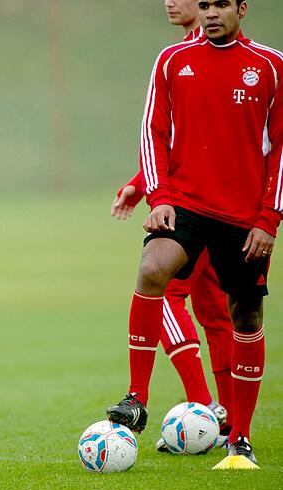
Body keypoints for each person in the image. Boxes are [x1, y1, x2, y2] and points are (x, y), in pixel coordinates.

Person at [106, 0, 282, 469]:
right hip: (184, 202)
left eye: (220, 4)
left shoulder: (269, 65)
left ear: (242, 9)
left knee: (243, 315)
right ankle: (136, 397)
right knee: (152, 272)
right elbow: (153, 130)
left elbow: (281, 146)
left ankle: (239, 437)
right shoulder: (171, 60)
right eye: (203, 4)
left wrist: (269, 218)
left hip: (243, 216)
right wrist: (157, 193)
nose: (209, 12)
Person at [110, 0, 231, 452]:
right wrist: (142, 185)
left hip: (214, 206)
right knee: (207, 307)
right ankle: (219, 413)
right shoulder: (178, 56)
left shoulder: (224, 60)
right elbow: (176, 138)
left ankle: (206, 409)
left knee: (177, 298)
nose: (170, 2)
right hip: (189, 198)